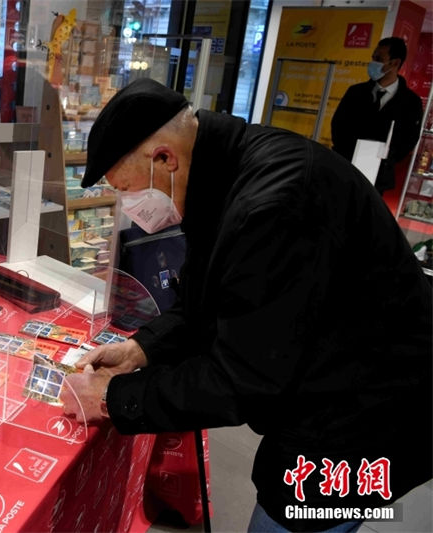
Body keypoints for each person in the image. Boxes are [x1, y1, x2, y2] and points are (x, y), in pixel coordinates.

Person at [62, 78, 432, 532]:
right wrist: (143, 348)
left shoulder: (275, 204)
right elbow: (211, 301)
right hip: (332, 386)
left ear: (164, 158)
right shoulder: (224, 174)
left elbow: (242, 379)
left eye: (129, 191)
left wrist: (111, 398)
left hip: (367, 418)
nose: (131, 207)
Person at [331, 36, 423, 195]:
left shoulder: (411, 102)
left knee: (363, 215)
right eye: (373, 57)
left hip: (378, 175)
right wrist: (349, 153)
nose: (373, 62)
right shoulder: (356, 92)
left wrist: (385, 158)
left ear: (395, 63)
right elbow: (338, 126)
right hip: (345, 166)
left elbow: (409, 139)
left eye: (379, 59)